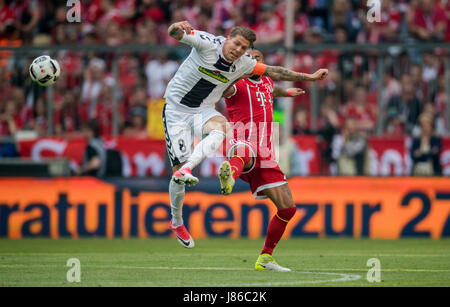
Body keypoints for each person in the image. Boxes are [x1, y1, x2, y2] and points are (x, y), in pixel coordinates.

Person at [163, 20, 328, 249]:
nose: (238, 50)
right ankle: (177, 220)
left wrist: (309, 77)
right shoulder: (207, 43)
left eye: (243, 48)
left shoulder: (244, 64)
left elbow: (274, 72)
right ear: (227, 38)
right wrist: (176, 25)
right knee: (176, 178)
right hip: (175, 110)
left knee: (222, 129)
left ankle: (189, 167)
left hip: (202, 111)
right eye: (237, 44)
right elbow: (174, 33)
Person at [217, 49, 316, 272]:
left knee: (287, 209)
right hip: (242, 140)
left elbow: (273, 89)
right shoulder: (237, 84)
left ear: (263, 63)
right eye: (249, 57)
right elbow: (223, 89)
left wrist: (288, 93)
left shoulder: (267, 82)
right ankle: (229, 177)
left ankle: (265, 258)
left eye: (258, 57)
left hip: (267, 153)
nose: (254, 60)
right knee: (245, 151)